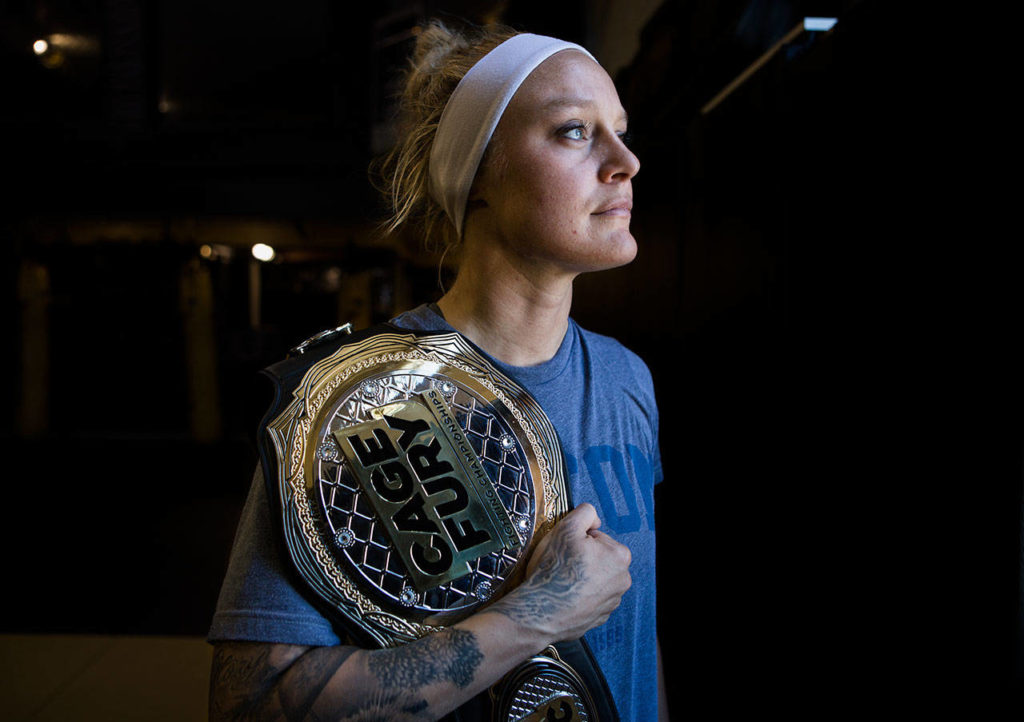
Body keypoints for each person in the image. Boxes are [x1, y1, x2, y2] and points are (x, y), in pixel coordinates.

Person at [208, 20, 665, 722]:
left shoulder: (626, 378)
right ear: (480, 170)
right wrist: (536, 615)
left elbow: (634, 648)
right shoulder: (362, 400)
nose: (625, 161)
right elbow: (254, 704)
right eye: (575, 131)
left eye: (621, 129)